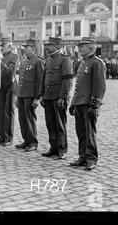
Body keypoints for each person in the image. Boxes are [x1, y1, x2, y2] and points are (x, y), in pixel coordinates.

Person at [69, 37, 106, 171]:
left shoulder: (97, 63)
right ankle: (82, 157)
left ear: (91, 48)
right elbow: (78, 87)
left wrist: (95, 105)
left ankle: (91, 158)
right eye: (79, 46)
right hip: (80, 103)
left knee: (89, 132)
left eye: (83, 46)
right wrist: (73, 103)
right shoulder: (83, 63)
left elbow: (99, 86)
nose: (80, 49)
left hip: (88, 104)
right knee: (81, 132)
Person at [39, 37, 73, 160]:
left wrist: (63, 97)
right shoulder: (48, 61)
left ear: (57, 47)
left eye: (50, 45)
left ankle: (62, 149)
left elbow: (68, 80)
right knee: (50, 124)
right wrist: (42, 95)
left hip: (58, 98)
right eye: (47, 45)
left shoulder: (65, 60)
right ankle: (53, 147)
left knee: (60, 124)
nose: (47, 47)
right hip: (48, 97)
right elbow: (44, 80)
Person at [15, 39, 44, 152]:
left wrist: (37, 98)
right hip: (22, 94)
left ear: (33, 49)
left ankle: (33, 141)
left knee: (30, 118)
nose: (25, 49)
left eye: (27, 47)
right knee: (22, 118)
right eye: (25, 48)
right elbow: (21, 79)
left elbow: (40, 81)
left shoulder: (38, 61)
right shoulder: (24, 61)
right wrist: (18, 96)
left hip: (30, 95)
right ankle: (26, 139)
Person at [0, 37, 19, 146]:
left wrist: (0, 63)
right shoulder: (1, 58)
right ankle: (2, 136)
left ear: (9, 46)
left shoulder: (14, 57)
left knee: (8, 112)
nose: (1, 47)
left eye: (3, 45)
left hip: (10, 87)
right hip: (0, 87)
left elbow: (10, 72)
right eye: (1, 46)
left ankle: (8, 137)